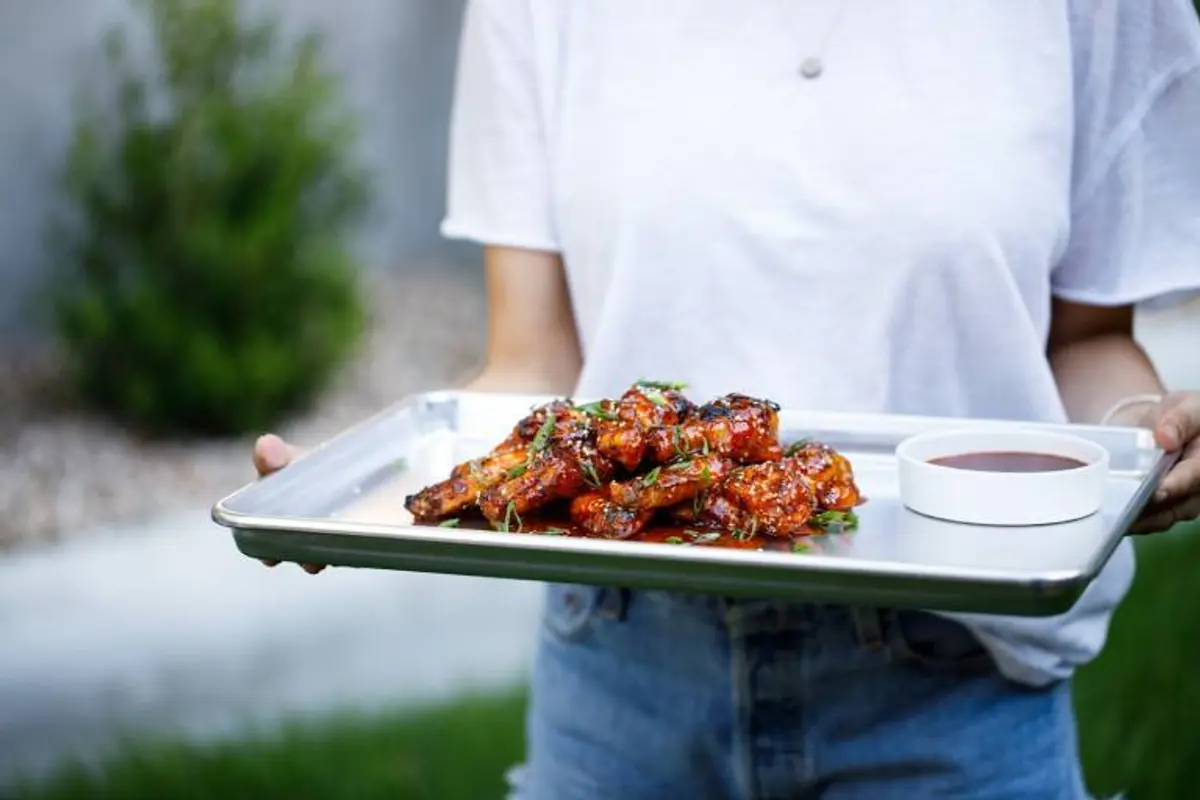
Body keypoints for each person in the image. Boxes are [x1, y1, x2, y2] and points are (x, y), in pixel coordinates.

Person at [254, 1, 1200, 796]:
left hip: (956, 686)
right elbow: (531, 361)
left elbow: (1086, 342)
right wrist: (363, 487)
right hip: (619, 678)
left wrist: (1142, 438)